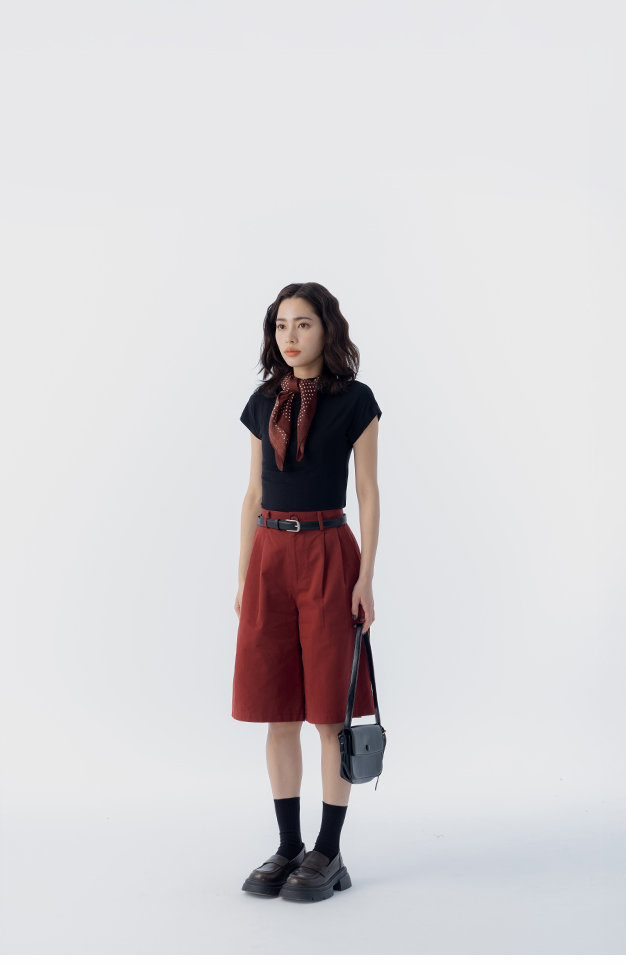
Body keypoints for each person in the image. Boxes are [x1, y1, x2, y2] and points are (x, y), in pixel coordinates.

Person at [232, 281, 382, 902]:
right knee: (278, 712)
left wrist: (365, 577)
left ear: (327, 330)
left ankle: (329, 851)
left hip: (327, 552)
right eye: (281, 326)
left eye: (303, 324)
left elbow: (368, 492)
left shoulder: (356, 401)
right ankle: (289, 846)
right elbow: (253, 493)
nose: (290, 337)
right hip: (270, 555)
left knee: (328, 714)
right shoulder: (264, 401)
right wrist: (244, 576)